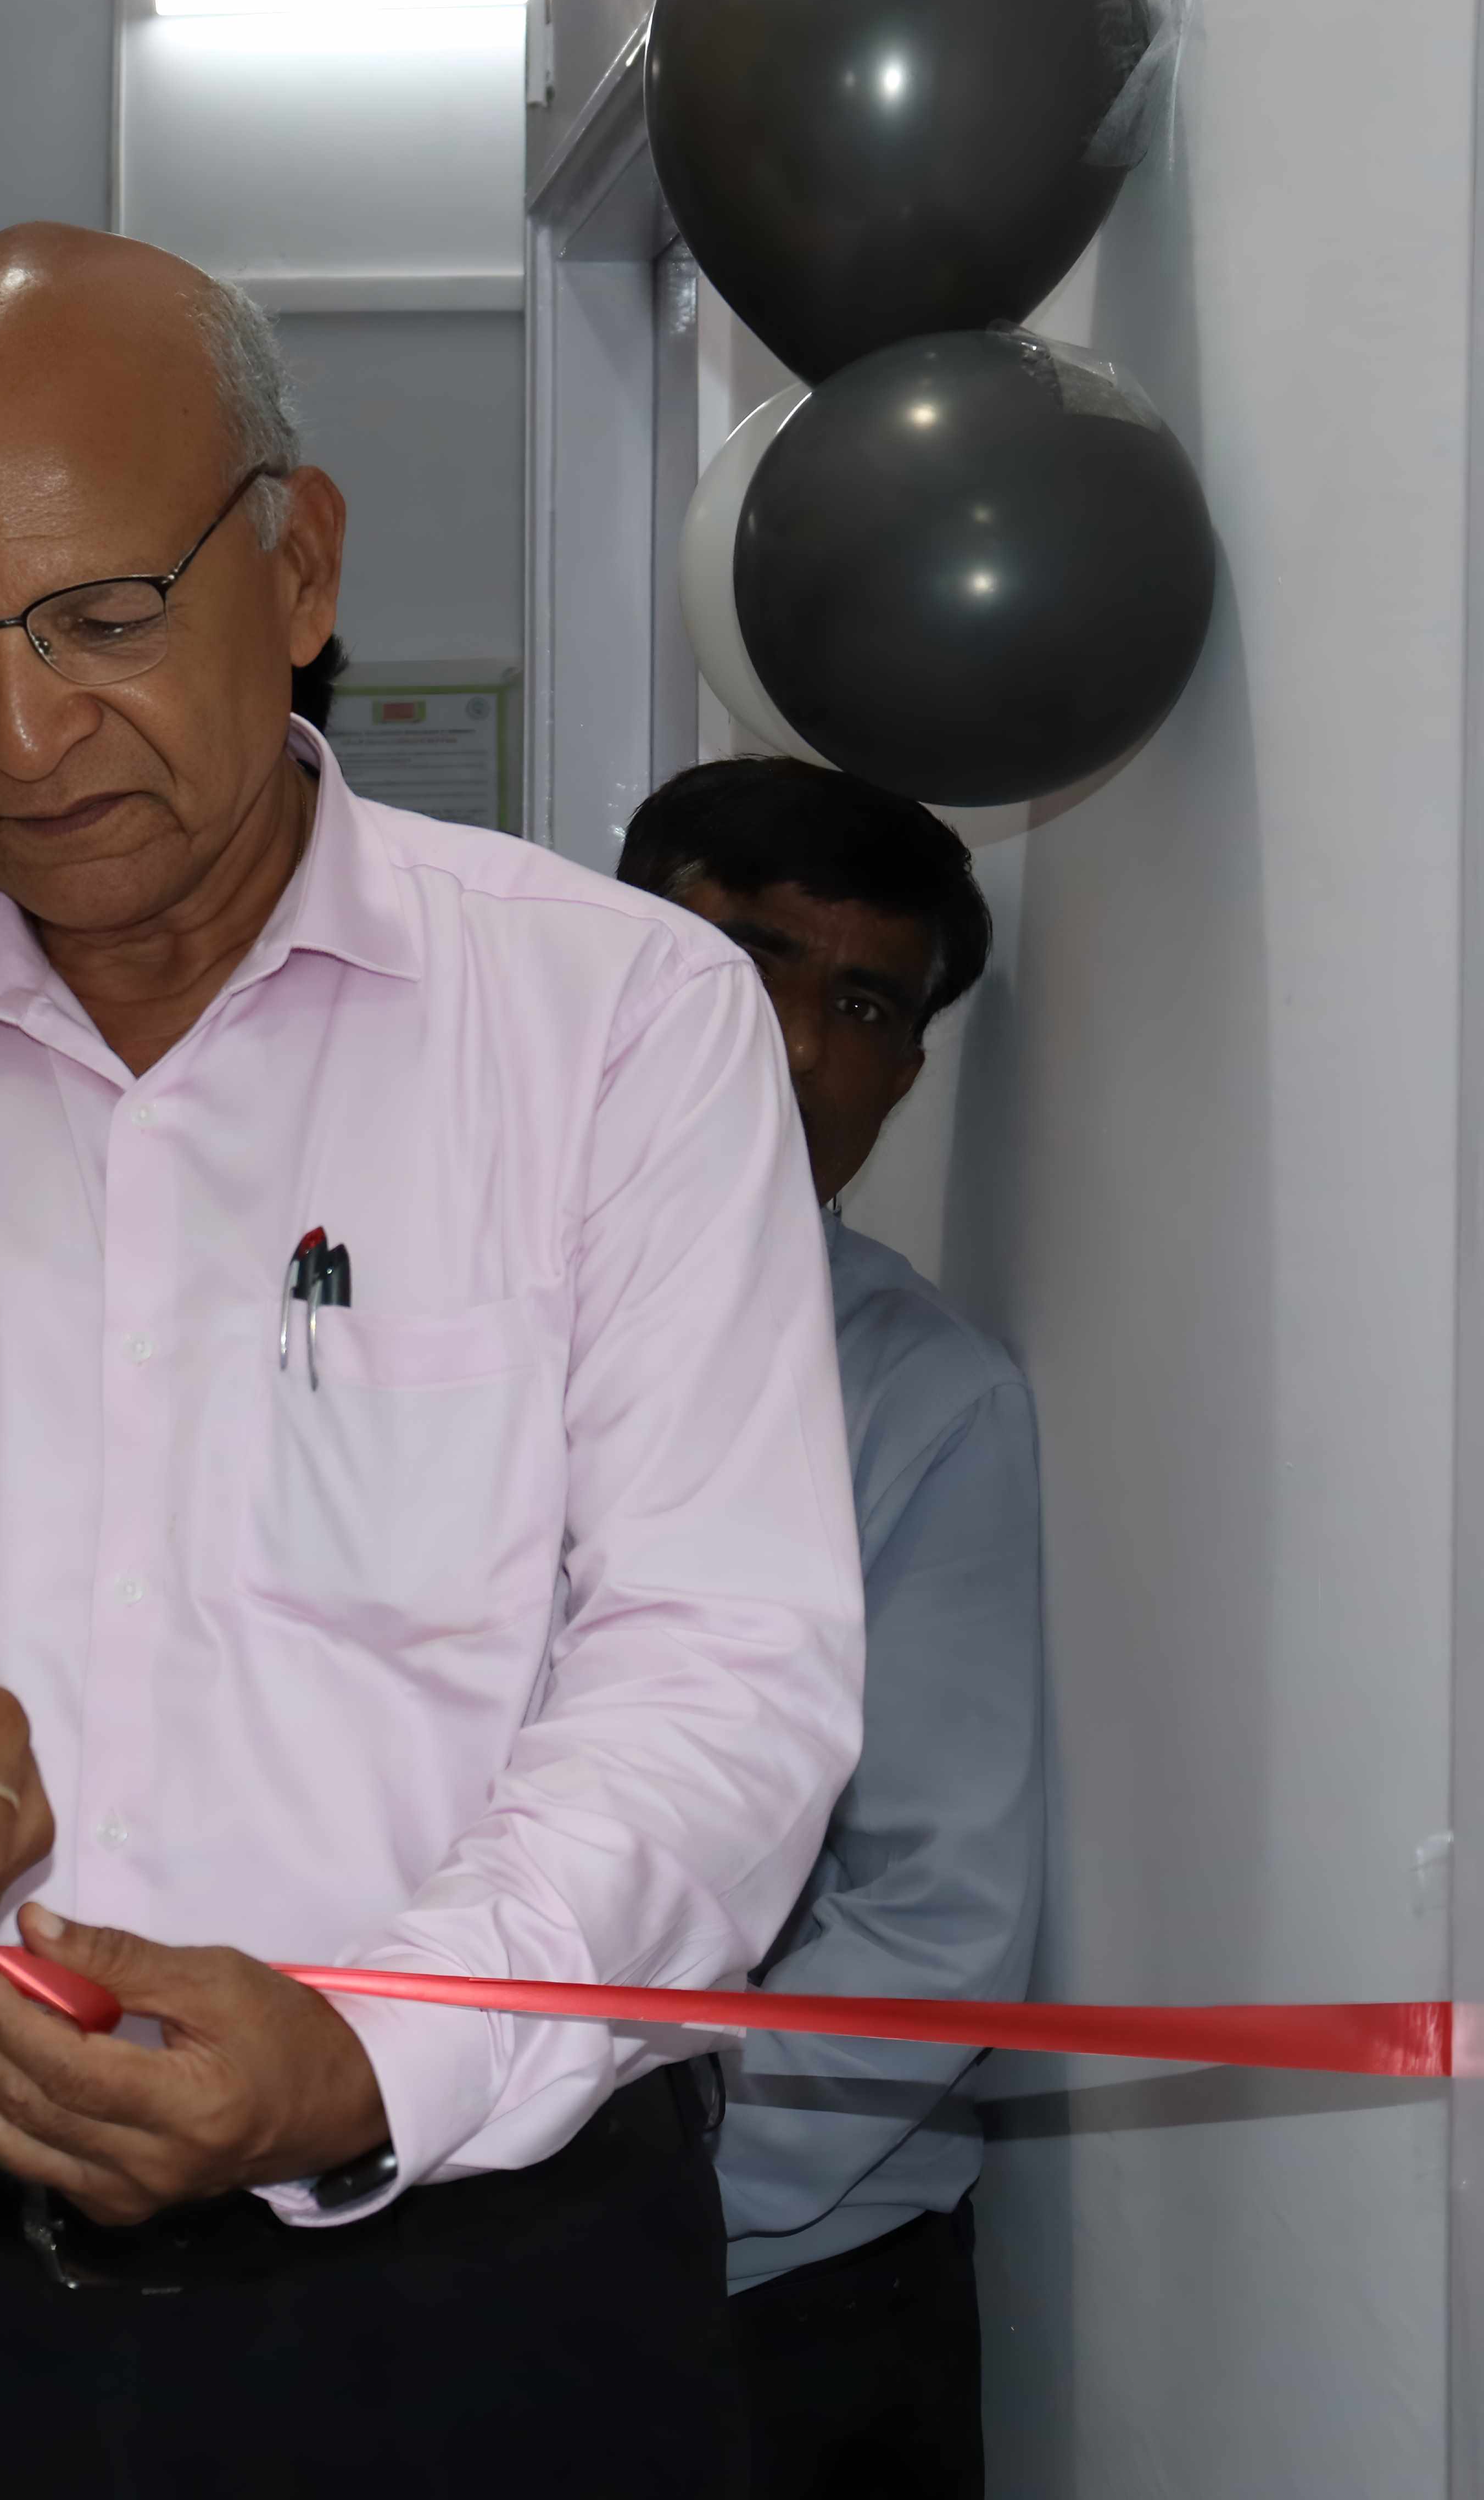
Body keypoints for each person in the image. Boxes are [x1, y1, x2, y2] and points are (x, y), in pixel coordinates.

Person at [0, 224, 866, 2496]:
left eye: (100, 618)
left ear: (299, 564)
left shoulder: (609, 1026)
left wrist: (369, 2049)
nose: (21, 737)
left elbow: (722, 1671)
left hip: (475, 2308)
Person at [620, 759, 1044, 2500]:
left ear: (906, 1070)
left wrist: (608, 2193)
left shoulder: (922, 1404)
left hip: (772, 2299)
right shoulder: (414, 1305)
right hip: (391, 2250)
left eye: (860, 1003)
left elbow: (934, 1925)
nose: (794, 1046)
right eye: (746, 960)